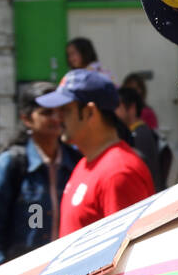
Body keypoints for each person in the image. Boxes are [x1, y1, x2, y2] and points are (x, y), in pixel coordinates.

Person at [0, 82, 82, 272]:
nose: (56, 118)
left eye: (60, 111)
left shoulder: (77, 163)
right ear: (26, 119)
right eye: (47, 113)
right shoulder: (10, 165)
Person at [36, 69, 155, 234]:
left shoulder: (119, 173)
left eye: (66, 110)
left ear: (90, 112)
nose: (58, 118)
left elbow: (124, 253)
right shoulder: (85, 163)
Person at [117, 85, 164, 189]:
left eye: (118, 106)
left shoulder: (140, 134)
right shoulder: (137, 131)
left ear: (132, 108)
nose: (114, 111)